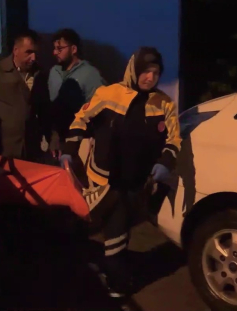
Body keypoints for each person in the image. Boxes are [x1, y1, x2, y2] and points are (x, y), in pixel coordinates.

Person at [60, 47, 182, 304]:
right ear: (134, 70)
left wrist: (165, 162)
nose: (150, 77)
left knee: (117, 235)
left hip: (134, 185)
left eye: (156, 73)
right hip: (101, 182)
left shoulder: (164, 104)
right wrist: (69, 150)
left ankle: (115, 287)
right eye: (145, 71)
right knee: (85, 224)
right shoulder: (108, 94)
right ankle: (77, 268)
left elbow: (173, 141)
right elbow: (81, 120)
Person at [0, 29, 50, 167]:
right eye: (28, 52)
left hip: (29, 150)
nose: (33, 57)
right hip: (0, 152)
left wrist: (53, 140)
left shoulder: (40, 75)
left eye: (35, 53)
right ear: (16, 50)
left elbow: (45, 110)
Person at [47, 28, 105, 155]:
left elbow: (99, 110)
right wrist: (53, 135)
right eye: (54, 48)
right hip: (58, 140)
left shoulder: (90, 74)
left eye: (60, 49)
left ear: (73, 49)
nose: (55, 52)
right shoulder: (53, 72)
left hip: (81, 141)